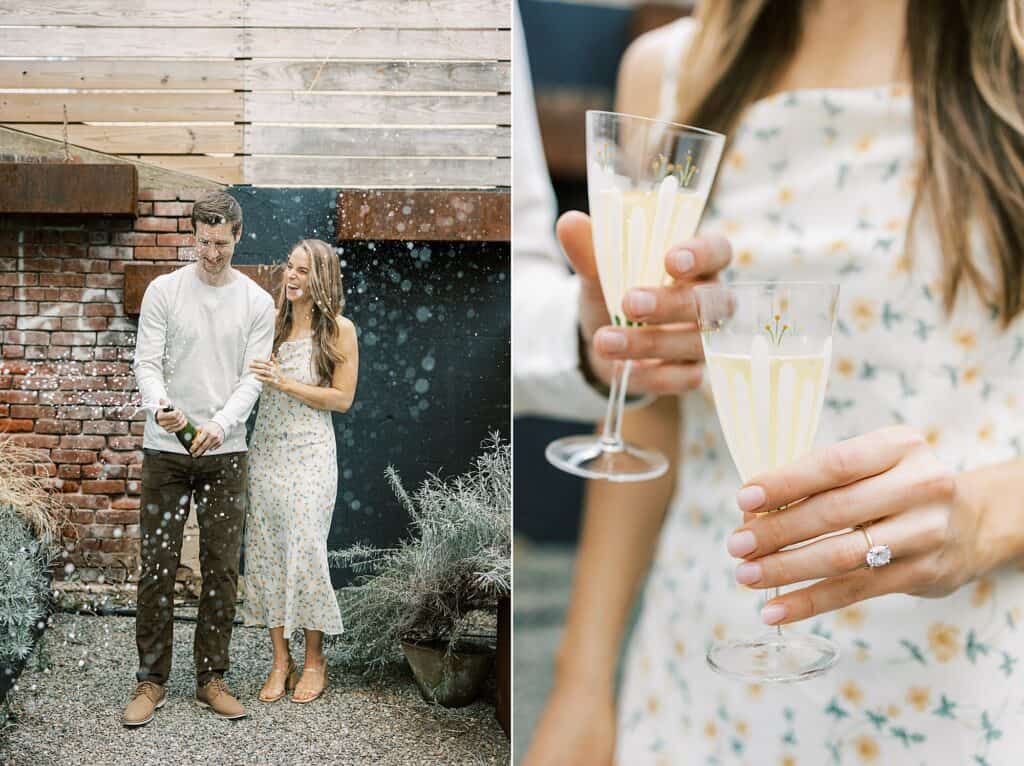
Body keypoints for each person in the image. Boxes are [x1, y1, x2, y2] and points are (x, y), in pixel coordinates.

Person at [524, 1, 1024, 763]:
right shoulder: (668, 72)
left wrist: (983, 520)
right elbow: (658, 406)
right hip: (705, 676)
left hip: (968, 686)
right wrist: (582, 685)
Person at [125, 191, 275, 726]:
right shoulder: (164, 291)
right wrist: (162, 407)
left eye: (221, 242)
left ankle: (211, 677)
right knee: (157, 568)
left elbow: (253, 377)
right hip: (165, 451)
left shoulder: (258, 302)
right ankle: (151, 680)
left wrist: (218, 425)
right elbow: (147, 363)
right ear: (193, 236)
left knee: (221, 569)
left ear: (239, 235)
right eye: (204, 242)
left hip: (225, 454)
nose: (212, 253)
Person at [240, 238, 358, 705]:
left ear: (321, 278)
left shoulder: (339, 330)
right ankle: (279, 660)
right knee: (268, 550)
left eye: (303, 271)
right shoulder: (270, 324)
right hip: (267, 447)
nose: (291, 277)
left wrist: (285, 383)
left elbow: (342, 399)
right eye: (289, 267)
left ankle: (314, 660)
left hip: (310, 451)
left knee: (306, 548)